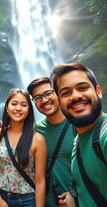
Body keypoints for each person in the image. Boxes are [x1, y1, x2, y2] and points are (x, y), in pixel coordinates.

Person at [50, 62, 107, 207]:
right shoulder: (78, 142)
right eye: (66, 93)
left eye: (82, 88)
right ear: (59, 101)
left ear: (98, 91)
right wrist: (75, 199)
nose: (75, 96)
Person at [0, 88, 47, 207]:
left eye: (23, 105)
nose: (18, 108)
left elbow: (40, 180)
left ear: (29, 110)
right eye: (14, 104)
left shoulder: (37, 139)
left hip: (27, 200)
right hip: (2, 196)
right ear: (7, 107)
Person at [27, 77, 76, 207]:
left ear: (58, 93)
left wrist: (75, 196)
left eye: (48, 93)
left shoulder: (78, 125)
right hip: (46, 202)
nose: (44, 100)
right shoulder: (36, 130)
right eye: (37, 98)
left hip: (78, 201)